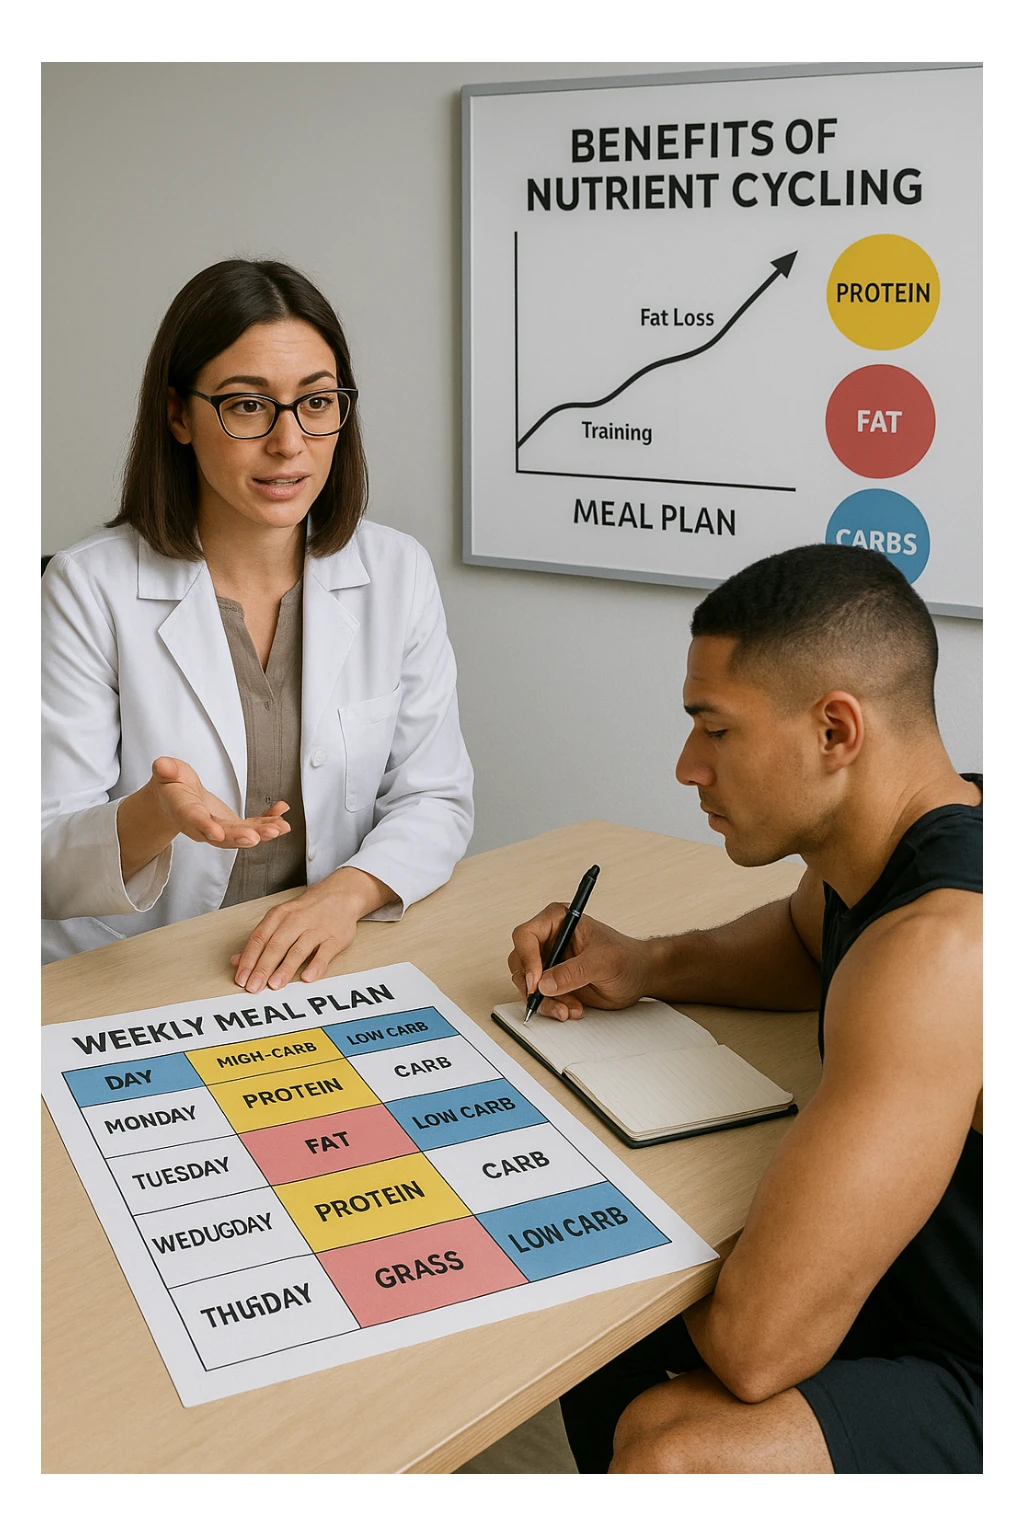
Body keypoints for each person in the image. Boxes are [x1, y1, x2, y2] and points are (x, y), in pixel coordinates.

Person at [508, 543, 981, 1474]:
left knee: (672, 1452)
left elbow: (759, 1348)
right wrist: (642, 962)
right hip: (931, 1287)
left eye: (714, 730)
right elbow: (804, 941)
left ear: (835, 733)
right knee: (613, 1357)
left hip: (983, 1357)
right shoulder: (920, 831)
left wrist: (553, 1214)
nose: (688, 766)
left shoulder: (938, 952)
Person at [42, 258, 473, 985]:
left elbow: (434, 797)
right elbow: (38, 859)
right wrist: (153, 816)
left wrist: (342, 898)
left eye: (316, 402)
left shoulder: (396, 572)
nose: (289, 443)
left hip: (320, 960)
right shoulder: (87, 588)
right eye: (247, 405)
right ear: (178, 414)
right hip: (127, 976)